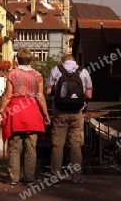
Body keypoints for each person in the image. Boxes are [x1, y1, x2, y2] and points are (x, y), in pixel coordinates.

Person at [0, 48, 50, 186]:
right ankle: (29, 178)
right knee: (31, 148)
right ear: (30, 60)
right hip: (32, 112)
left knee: (14, 147)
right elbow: (40, 96)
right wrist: (45, 114)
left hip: (16, 112)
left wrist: (1, 111)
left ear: (17, 60)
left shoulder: (12, 74)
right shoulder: (37, 75)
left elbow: (8, 95)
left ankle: (14, 178)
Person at [46, 54, 92, 184]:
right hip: (77, 113)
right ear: (75, 62)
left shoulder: (56, 70)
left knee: (57, 146)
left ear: (62, 61)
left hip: (60, 113)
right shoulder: (83, 71)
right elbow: (89, 94)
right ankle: (76, 177)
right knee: (75, 146)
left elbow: (48, 92)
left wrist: (60, 93)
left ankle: (55, 176)